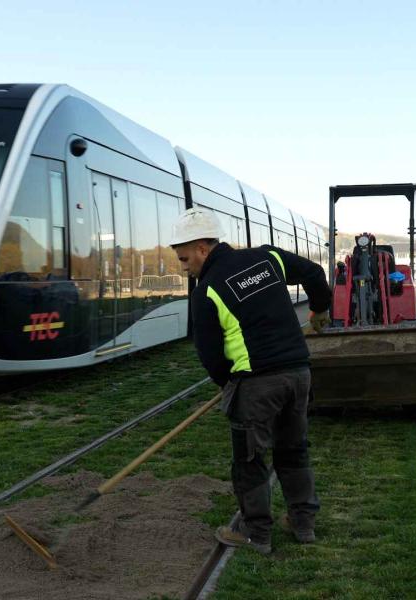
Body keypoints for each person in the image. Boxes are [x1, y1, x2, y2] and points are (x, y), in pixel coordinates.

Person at [170, 206, 332, 555]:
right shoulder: (267, 258)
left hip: (256, 384)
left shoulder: (207, 290)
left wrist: (229, 384)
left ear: (202, 247)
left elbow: (210, 354)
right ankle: (304, 524)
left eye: (185, 259)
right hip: (298, 374)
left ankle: (255, 533)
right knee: (293, 449)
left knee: (249, 460)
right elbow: (315, 273)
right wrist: (321, 307)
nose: (184, 268)